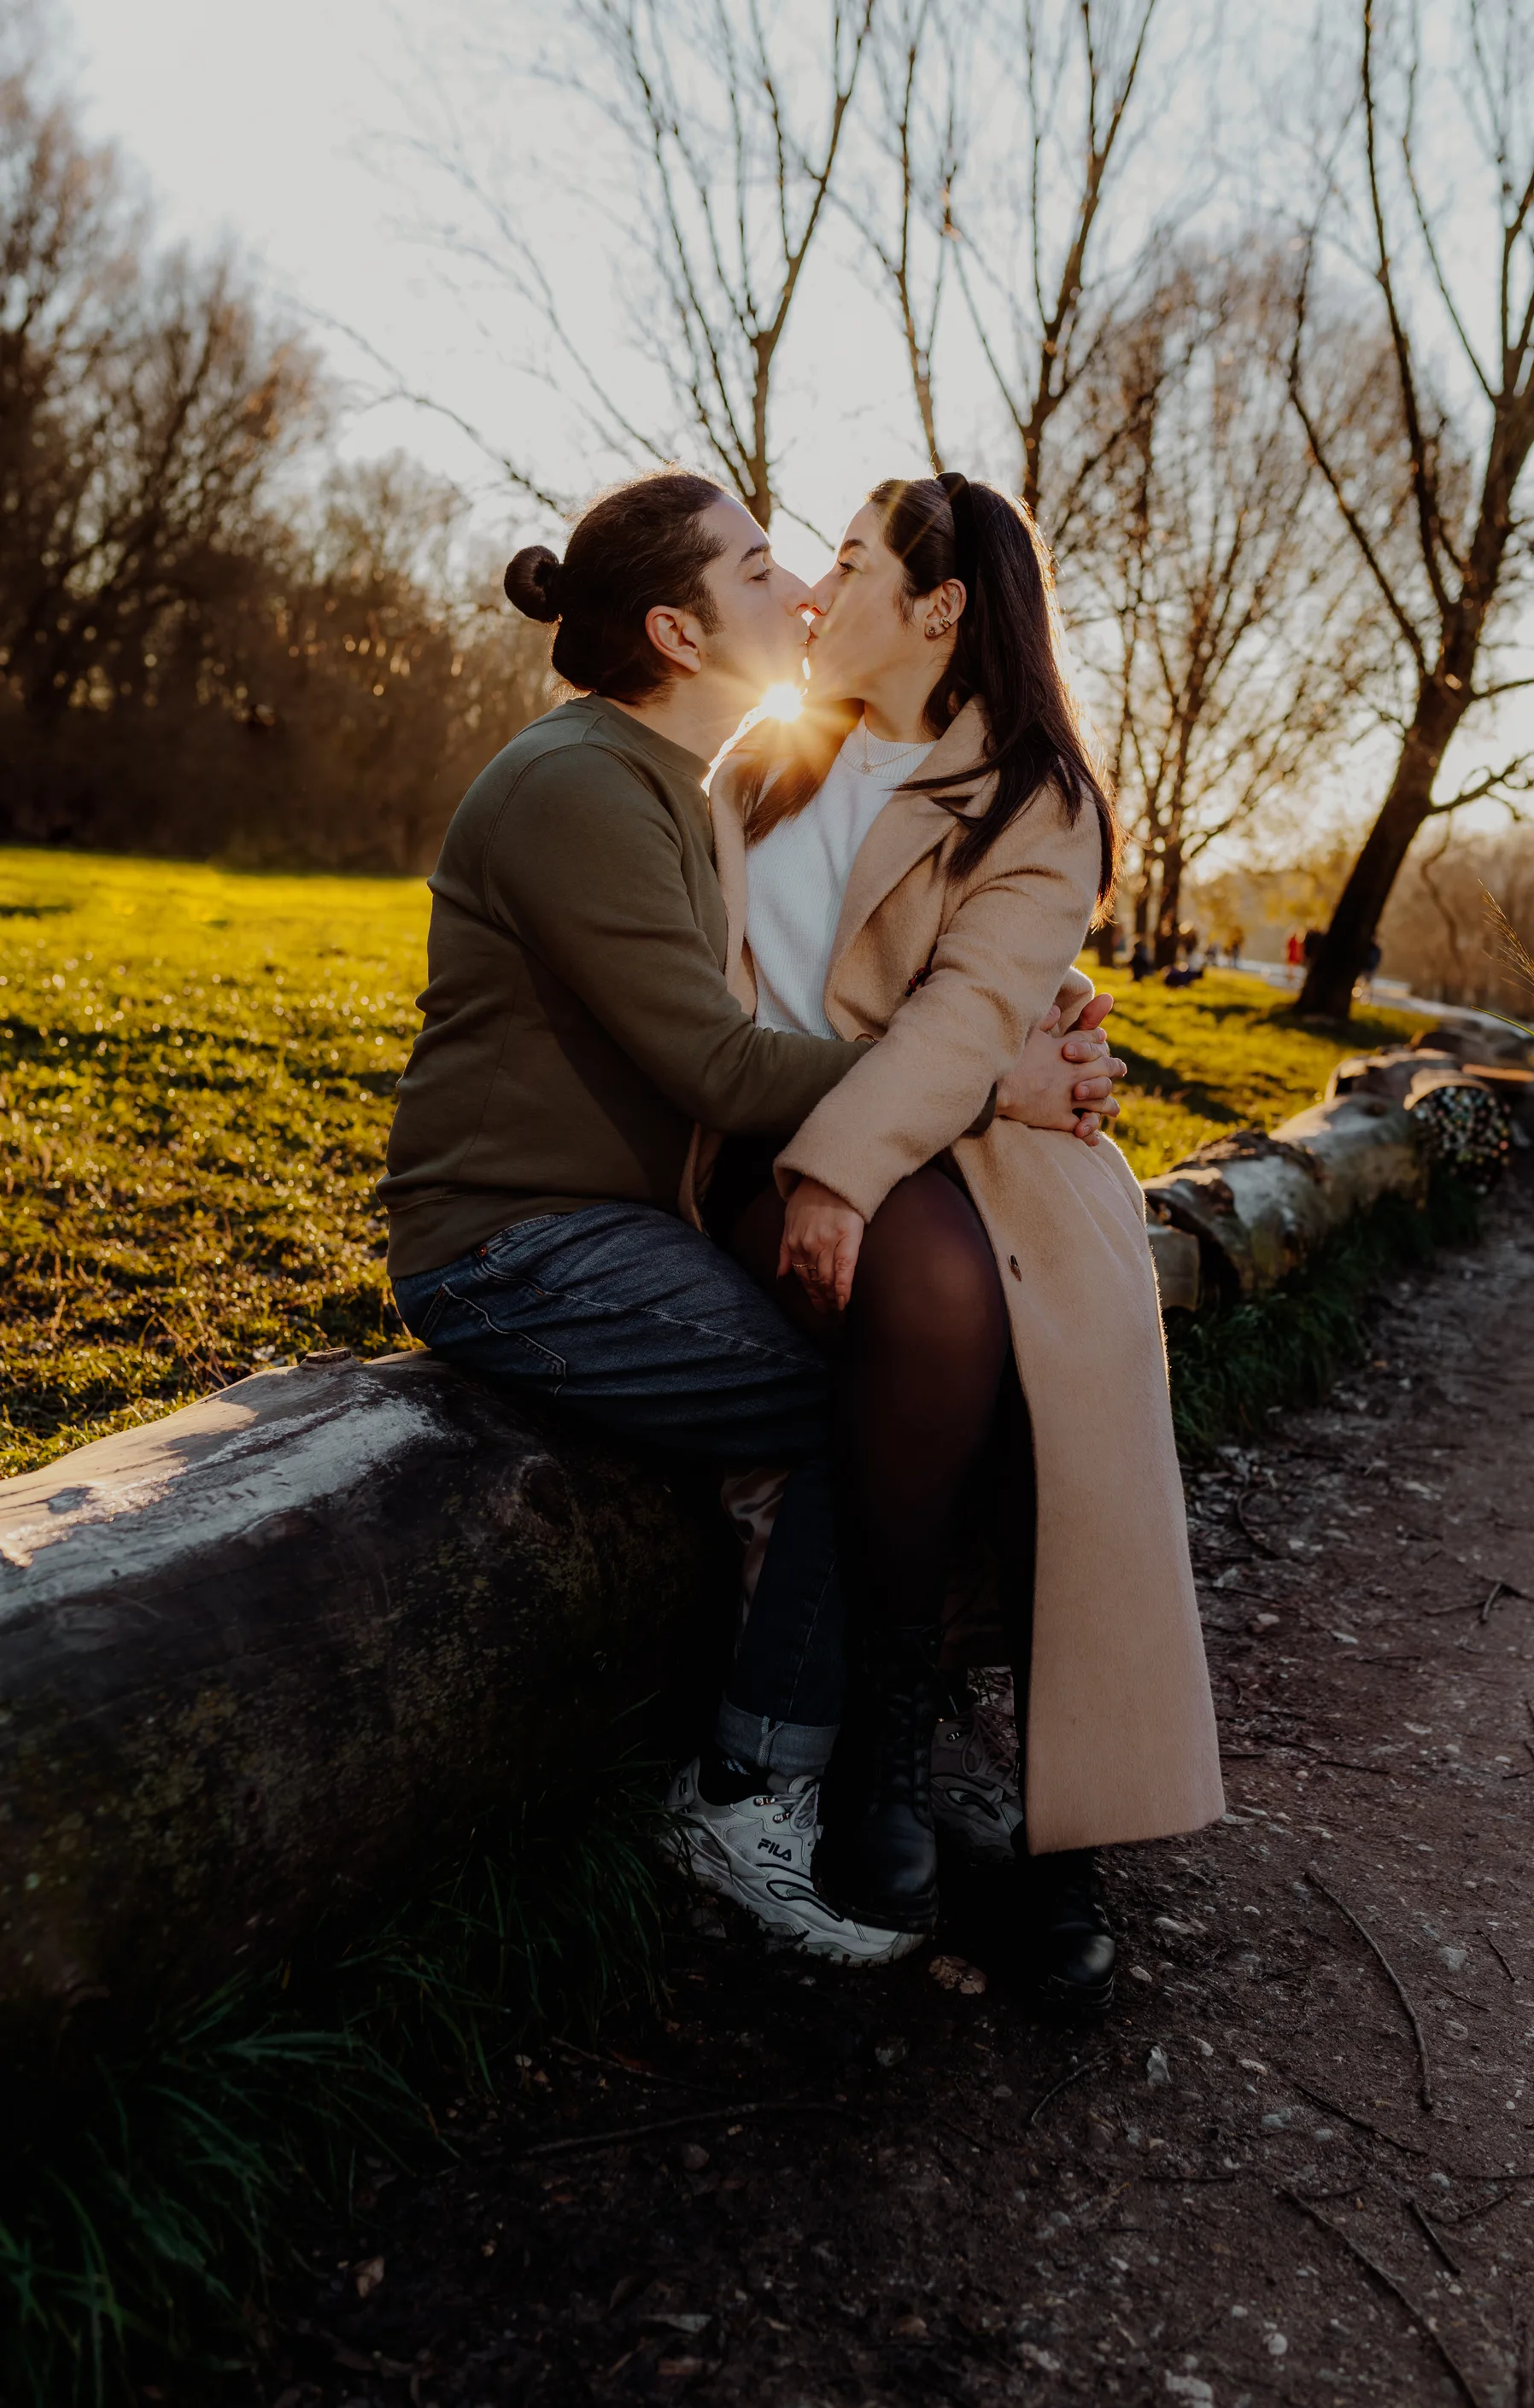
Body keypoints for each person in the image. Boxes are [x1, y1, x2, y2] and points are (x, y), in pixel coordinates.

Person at [378, 468, 1127, 1968]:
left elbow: (928, 965)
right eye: (767, 567)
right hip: (515, 1239)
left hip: (617, 1222)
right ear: (672, 627)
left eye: (822, 565)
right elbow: (717, 1059)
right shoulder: (590, 786)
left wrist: (1024, 1031)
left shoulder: (696, 774)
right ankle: (754, 1783)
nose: (798, 593)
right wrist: (992, 1090)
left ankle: (972, 1793)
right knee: (863, 1400)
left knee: (936, 1364)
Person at [676, 473, 1221, 2017]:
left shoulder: (1037, 797)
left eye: (848, 566)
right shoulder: (759, 768)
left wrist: (900, 1138)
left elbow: (972, 1007)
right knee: (929, 1287)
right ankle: (890, 1742)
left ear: (938, 608)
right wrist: (837, 1170)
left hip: (988, 1166)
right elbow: (717, 1012)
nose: (814, 594)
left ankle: (1059, 1832)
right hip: (785, 1157)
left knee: (1051, 1348)